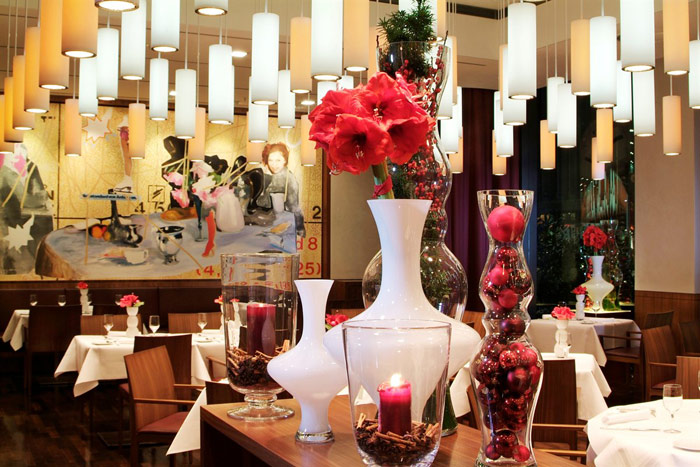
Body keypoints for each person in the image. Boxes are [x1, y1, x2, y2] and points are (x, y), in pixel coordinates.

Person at [259, 143, 306, 237]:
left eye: (278, 160)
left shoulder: (288, 178)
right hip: (268, 223)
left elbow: (293, 206)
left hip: (282, 224)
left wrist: (299, 227)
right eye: (270, 160)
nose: (274, 164)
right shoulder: (266, 176)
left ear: (285, 160)